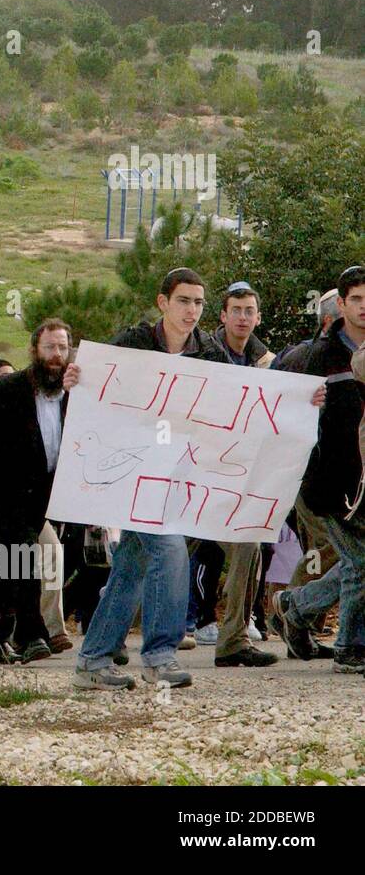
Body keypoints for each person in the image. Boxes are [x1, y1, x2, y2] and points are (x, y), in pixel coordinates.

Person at [73, 269, 272, 691]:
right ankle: (159, 656)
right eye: (184, 301)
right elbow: (92, 381)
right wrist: (75, 378)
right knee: (170, 552)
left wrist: (302, 399)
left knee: (130, 567)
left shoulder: (209, 351)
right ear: (162, 302)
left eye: (199, 303)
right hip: (132, 473)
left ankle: (92, 659)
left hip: (177, 475)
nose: (192, 311)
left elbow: (240, 399)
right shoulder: (131, 343)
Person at [0, 320, 74, 664]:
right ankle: (31, 635)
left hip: (42, 498)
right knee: (23, 561)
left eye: (62, 348)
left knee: (8, 570)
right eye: (50, 347)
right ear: (35, 350)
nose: (56, 355)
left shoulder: (74, 395)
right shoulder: (5, 390)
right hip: (2, 492)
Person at [271, 266, 365, 673]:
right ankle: (349, 648)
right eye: (357, 299)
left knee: (355, 563)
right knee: (360, 563)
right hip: (331, 483)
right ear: (340, 304)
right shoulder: (317, 356)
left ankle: (294, 606)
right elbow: (277, 409)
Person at [202, 282, 280, 668]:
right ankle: (112, 638)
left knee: (248, 546)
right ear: (223, 315)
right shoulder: (202, 353)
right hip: (192, 474)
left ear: (258, 317)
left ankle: (233, 639)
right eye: (236, 309)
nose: (243, 317)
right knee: (153, 554)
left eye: (250, 310)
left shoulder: (269, 362)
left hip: (236, 480)